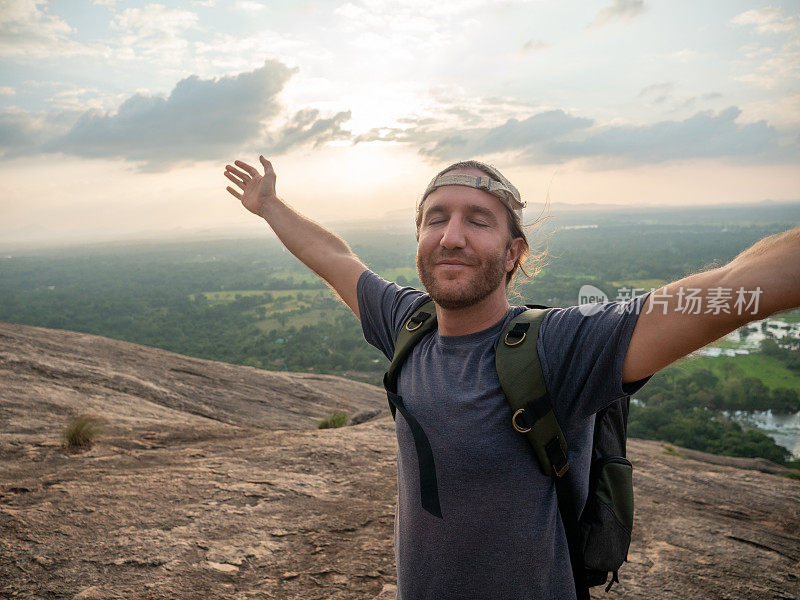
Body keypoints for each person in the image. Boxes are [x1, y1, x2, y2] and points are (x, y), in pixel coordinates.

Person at [223, 156, 800, 600]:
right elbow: (334, 257)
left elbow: (736, 286)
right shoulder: (409, 323)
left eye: (479, 220)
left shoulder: (563, 349)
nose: (452, 235)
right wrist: (270, 206)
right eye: (435, 219)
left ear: (514, 253)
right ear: (420, 240)